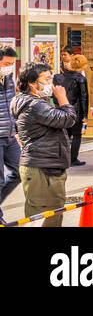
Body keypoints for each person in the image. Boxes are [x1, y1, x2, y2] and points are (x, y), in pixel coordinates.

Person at [10, 62, 77, 226]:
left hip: (43, 165)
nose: (51, 84)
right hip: (43, 168)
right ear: (32, 83)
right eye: (47, 79)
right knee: (46, 217)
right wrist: (63, 98)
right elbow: (68, 119)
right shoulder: (35, 105)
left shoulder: (31, 101)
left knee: (44, 216)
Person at [55, 53, 89, 166]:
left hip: (62, 109)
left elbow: (54, 94)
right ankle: (73, 159)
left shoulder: (59, 77)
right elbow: (83, 98)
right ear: (83, 65)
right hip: (76, 110)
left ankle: (63, 158)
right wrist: (85, 115)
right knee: (77, 135)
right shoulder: (81, 79)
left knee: (65, 135)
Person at [0, 46, 21, 223]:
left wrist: (16, 130)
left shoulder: (8, 78)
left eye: (11, 64)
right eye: (6, 63)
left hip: (9, 134)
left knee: (21, 171)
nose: (9, 67)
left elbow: (11, 105)